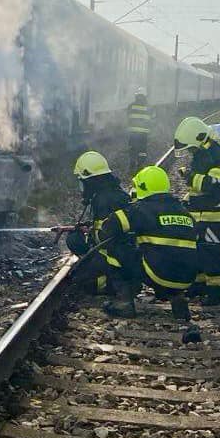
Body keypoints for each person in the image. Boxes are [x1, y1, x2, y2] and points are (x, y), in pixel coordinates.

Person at [99, 164, 201, 342]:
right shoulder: (185, 212)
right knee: (166, 254)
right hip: (186, 278)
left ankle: (124, 303)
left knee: (117, 249)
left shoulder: (141, 209)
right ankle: (178, 300)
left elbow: (109, 227)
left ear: (143, 186)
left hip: (158, 274)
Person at [173, 115, 220, 306]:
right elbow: (198, 190)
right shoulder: (201, 155)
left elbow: (214, 184)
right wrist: (186, 202)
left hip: (218, 215)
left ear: (200, 139)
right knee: (198, 249)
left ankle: (219, 291)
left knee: (210, 251)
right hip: (203, 214)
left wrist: (191, 177)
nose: (190, 151)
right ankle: (199, 286)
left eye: (191, 147)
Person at [68, 151, 137, 317]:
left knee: (78, 278)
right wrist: (90, 227)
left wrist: (86, 237)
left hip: (116, 258)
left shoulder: (102, 200)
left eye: (82, 182)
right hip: (128, 259)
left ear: (90, 180)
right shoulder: (116, 194)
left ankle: (111, 287)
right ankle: (113, 283)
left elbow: (104, 239)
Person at [126, 88, 152, 170]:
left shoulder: (131, 105)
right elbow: (152, 118)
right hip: (144, 133)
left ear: (136, 95)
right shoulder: (148, 107)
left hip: (133, 132)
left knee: (132, 147)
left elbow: (127, 116)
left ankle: (132, 163)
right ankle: (140, 165)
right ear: (145, 96)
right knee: (142, 149)